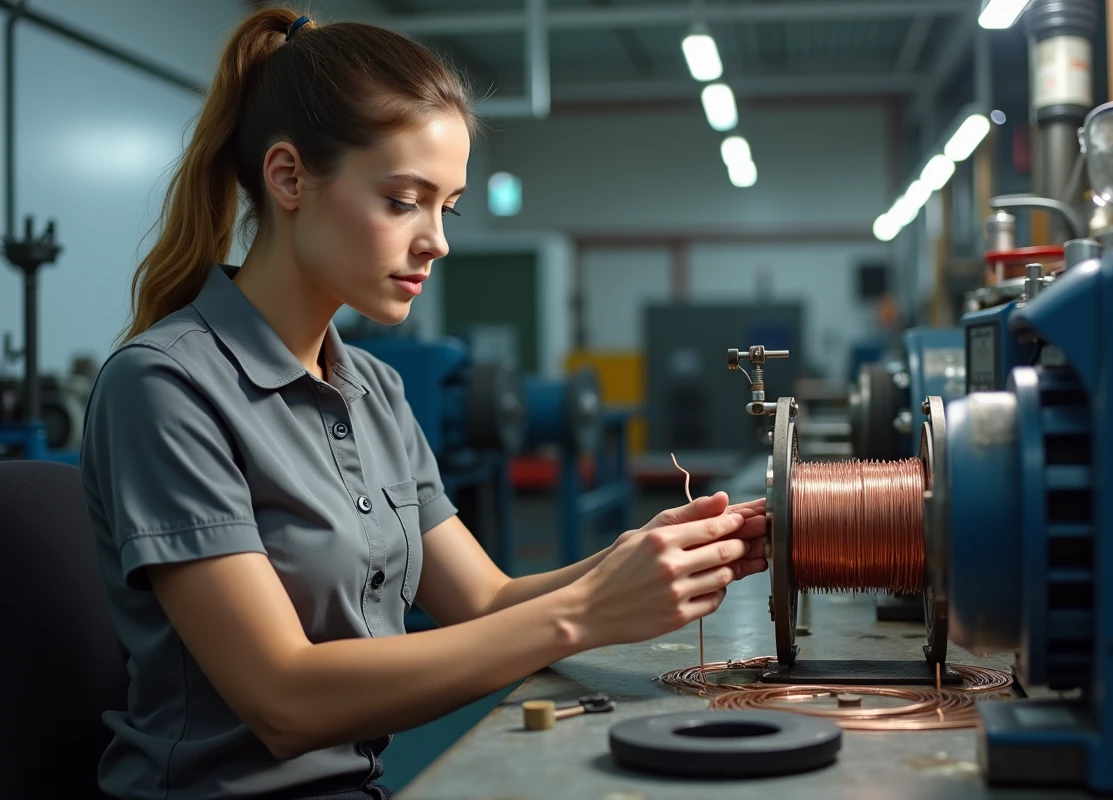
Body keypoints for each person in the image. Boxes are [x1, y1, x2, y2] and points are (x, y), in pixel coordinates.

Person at [78, 8, 768, 800]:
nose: (438, 240)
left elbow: (484, 601)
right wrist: (586, 613)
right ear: (289, 178)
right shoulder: (167, 388)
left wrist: (639, 557)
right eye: (405, 200)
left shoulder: (373, 388)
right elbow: (285, 699)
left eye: (449, 207)